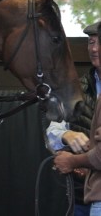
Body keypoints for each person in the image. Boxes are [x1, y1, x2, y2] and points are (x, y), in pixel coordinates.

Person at [46, 21, 101, 216]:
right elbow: (51, 133)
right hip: (82, 196)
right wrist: (66, 135)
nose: (94, 49)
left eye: (99, 42)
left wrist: (75, 161)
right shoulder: (75, 89)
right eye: (90, 42)